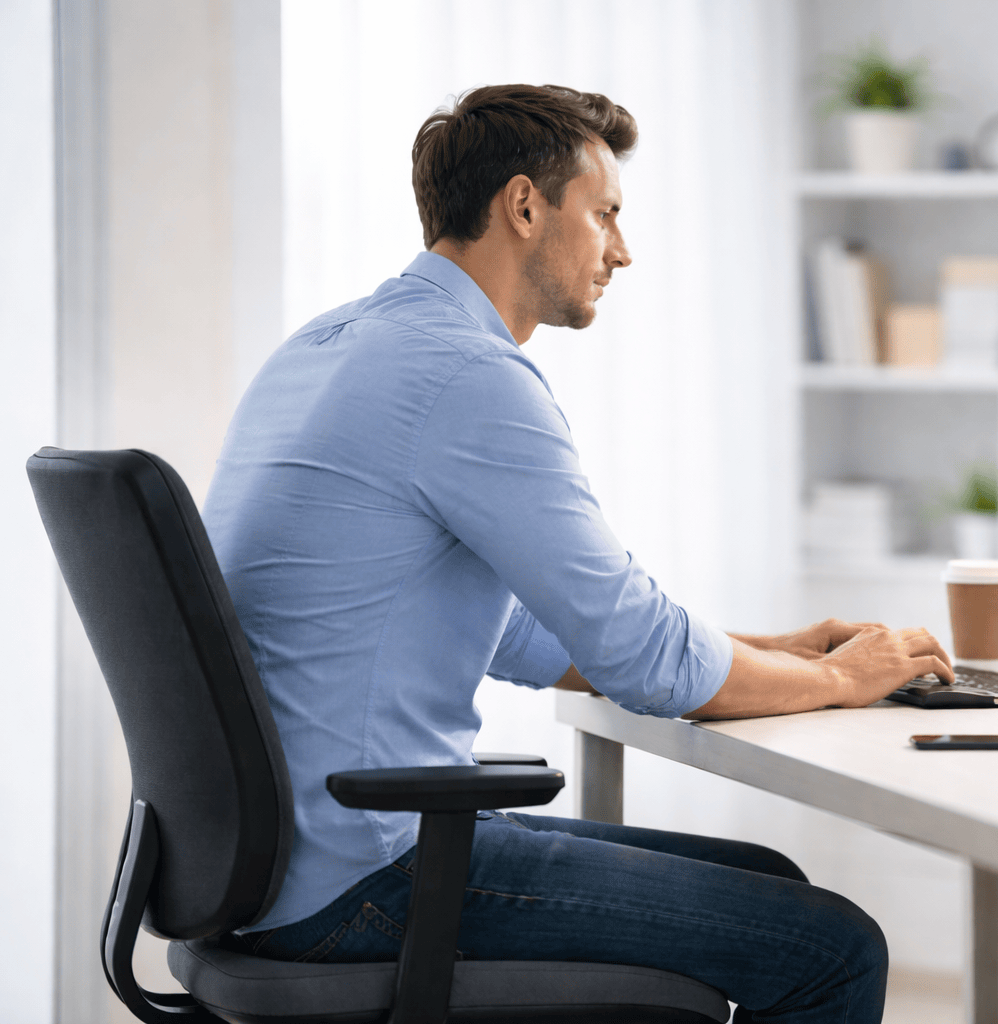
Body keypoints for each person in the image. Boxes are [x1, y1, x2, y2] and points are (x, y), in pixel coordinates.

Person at [202, 84, 954, 1024]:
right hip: (366, 877)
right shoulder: (469, 374)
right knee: (830, 948)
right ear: (524, 207)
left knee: (770, 881)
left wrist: (786, 651)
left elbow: (517, 634)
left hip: (266, 865)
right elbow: (642, 659)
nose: (623, 249)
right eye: (605, 215)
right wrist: (846, 682)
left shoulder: (328, 346)